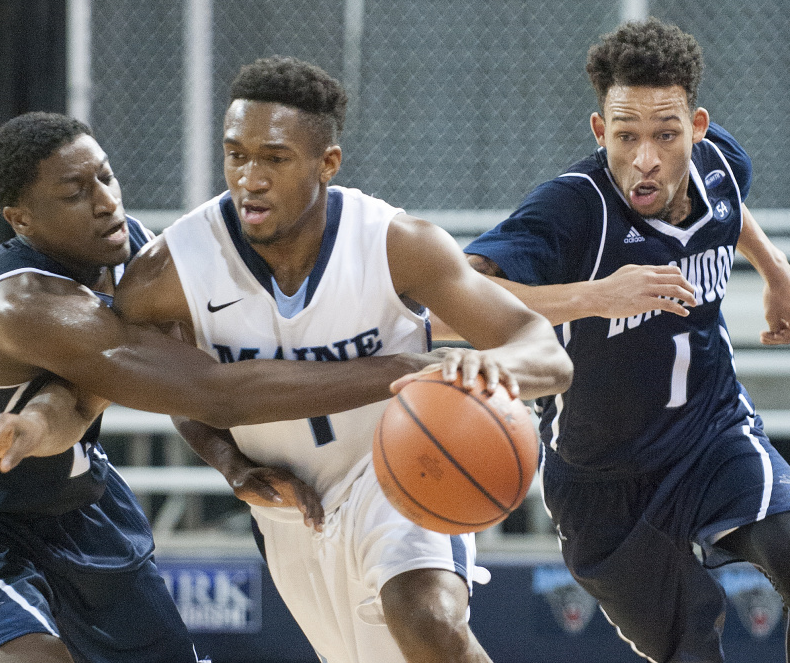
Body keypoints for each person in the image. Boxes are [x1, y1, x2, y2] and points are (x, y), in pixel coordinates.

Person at [0, 111, 464, 663]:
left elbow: (160, 383)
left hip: (80, 498)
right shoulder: (22, 305)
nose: (107, 200)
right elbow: (210, 391)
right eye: (74, 193)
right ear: (21, 220)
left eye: (105, 176)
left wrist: (228, 461)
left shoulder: (134, 249)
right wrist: (399, 370)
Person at [150, 56, 572, 663]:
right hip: (292, 511)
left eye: (274, 158)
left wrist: (492, 369)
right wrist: (226, 462)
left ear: (327, 164)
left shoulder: (395, 243)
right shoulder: (181, 260)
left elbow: (545, 351)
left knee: (428, 619)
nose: (249, 178)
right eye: (236, 155)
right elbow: (170, 380)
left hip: (402, 473)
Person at [462, 18, 790, 663]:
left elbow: (729, 202)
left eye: (666, 135)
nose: (645, 158)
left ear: (697, 128)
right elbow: (459, 299)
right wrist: (596, 296)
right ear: (599, 131)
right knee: (691, 648)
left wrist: (775, 268)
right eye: (626, 136)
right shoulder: (574, 207)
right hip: (599, 476)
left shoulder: (721, 161)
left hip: (712, 431)